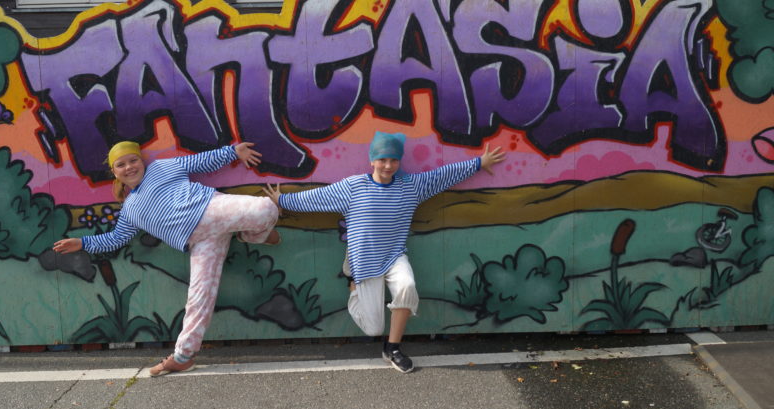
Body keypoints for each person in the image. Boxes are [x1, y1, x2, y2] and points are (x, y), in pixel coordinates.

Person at [264, 132, 505, 373]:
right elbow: (317, 198)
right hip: (364, 260)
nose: (388, 166)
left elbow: (442, 176)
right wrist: (282, 200)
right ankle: (352, 284)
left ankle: (393, 348)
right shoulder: (354, 187)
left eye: (393, 160)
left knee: (407, 286)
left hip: (394, 256)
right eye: (382, 160)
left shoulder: (411, 187)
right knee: (373, 329)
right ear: (372, 161)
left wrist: (478, 163)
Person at [53, 141, 280, 376]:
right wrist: (82, 243)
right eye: (121, 164)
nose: (129, 167)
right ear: (114, 172)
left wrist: (232, 151)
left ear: (142, 161)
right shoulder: (130, 209)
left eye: (133, 160)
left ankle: (251, 235)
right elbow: (116, 238)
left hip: (212, 209)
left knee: (266, 209)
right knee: (198, 298)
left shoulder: (162, 168)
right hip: (200, 242)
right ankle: (183, 356)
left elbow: (199, 161)